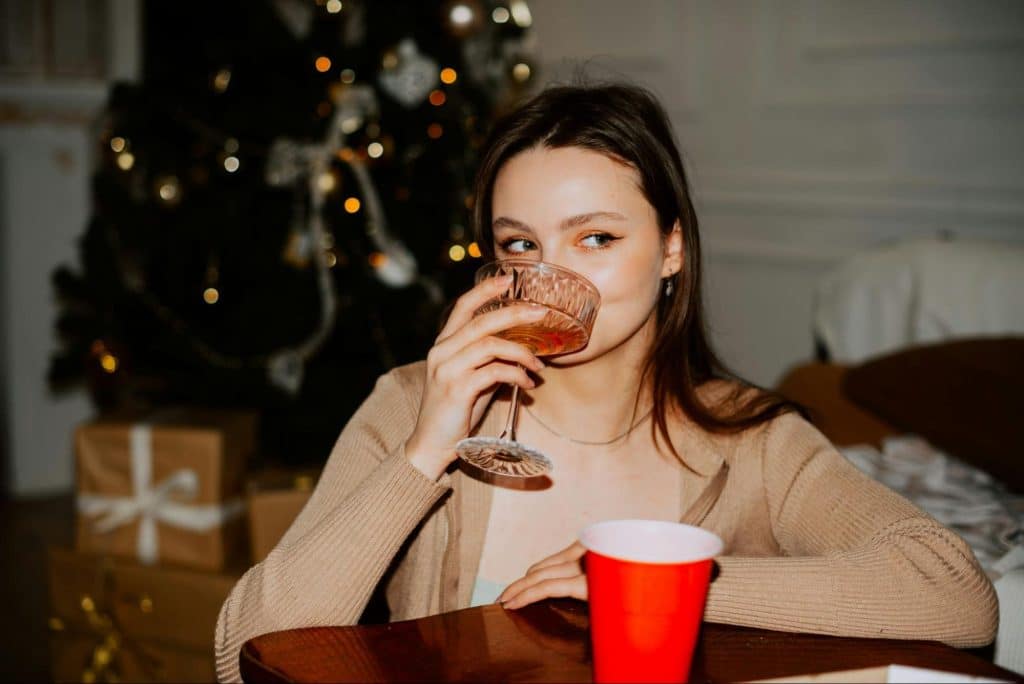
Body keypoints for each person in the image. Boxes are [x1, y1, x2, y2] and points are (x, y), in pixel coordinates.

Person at [214, 83, 997, 682]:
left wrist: (657, 588)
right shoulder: (419, 404)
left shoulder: (751, 439)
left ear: (671, 249)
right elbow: (242, 655)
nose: (550, 276)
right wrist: (423, 453)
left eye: (595, 237)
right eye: (520, 245)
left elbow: (955, 595)